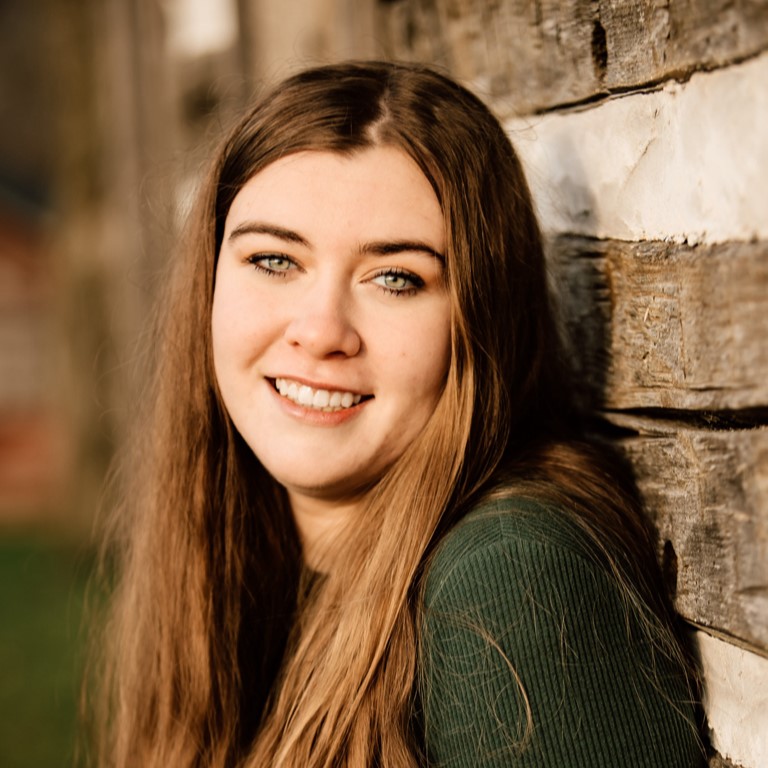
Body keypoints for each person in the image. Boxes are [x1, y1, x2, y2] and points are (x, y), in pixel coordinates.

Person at [91, 61, 705, 766]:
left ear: (477, 323)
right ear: (209, 282)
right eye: (273, 260)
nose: (321, 331)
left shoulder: (510, 580)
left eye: (395, 278)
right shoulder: (241, 568)